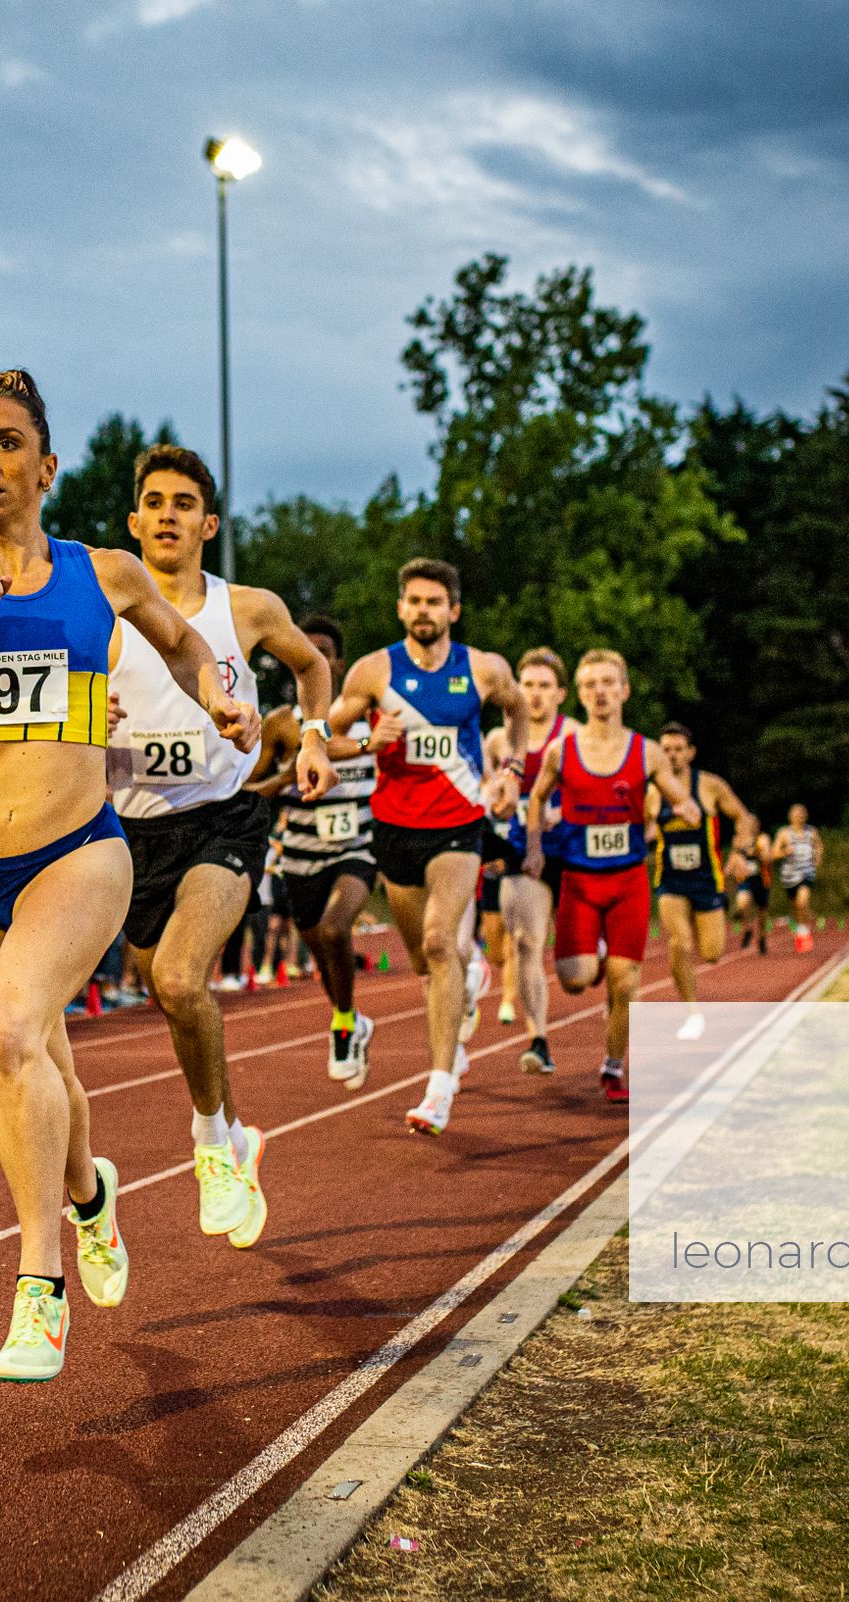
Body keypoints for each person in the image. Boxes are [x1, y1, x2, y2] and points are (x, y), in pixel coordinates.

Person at [0, 368, 253, 1382]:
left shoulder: (106, 573)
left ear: (47, 467)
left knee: (8, 1033)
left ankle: (38, 1289)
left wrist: (221, 702)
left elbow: (185, 644)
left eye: (6, 444)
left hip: (77, 849)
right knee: (38, 1062)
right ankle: (89, 1197)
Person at [102, 442, 329, 1247]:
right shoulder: (102, 613)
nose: (168, 515)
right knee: (174, 999)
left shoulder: (248, 609)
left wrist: (314, 738)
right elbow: (60, 699)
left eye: (183, 504)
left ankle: (209, 1149)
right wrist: (87, 716)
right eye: (154, 503)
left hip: (223, 817)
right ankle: (235, 1134)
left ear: (209, 523)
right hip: (132, 833)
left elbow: (312, 667)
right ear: (134, 523)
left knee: (177, 975)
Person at [318, 559, 532, 1138]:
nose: (423, 611)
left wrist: (511, 771)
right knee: (422, 960)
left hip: (460, 824)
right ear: (400, 608)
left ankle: (439, 1084)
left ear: (453, 611)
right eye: (414, 600)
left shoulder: (483, 668)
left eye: (434, 602)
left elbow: (518, 710)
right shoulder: (373, 671)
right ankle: (468, 976)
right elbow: (325, 738)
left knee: (440, 941)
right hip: (395, 827)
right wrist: (369, 739)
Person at [521, 650, 700, 1103]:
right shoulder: (562, 751)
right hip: (579, 882)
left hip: (627, 882)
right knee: (574, 979)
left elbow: (679, 796)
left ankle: (613, 1066)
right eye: (590, 685)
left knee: (626, 981)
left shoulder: (647, 752)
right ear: (579, 696)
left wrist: (687, 807)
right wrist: (535, 848)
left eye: (608, 683)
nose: (599, 691)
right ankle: (594, 953)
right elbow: (536, 799)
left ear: (624, 691)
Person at [247, 615, 381, 1086]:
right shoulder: (283, 725)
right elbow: (250, 790)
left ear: (339, 664)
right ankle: (350, 1016)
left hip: (357, 849)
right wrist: (286, 776)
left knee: (334, 928)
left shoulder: (372, 719)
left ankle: (342, 1026)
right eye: (306, 650)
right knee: (323, 954)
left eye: (324, 652)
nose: (315, 658)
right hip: (300, 856)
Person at [480, 647, 574, 1076]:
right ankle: (539, 1040)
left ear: (561, 694)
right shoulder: (499, 740)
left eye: (544, 686)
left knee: (577, 969)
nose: (534, 694)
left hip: (570, 852)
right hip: (521, 851)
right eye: (528, 685)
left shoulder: (572, 735)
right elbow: (485, 788)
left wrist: (564, 810)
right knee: (524, 942)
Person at [648, 721, 757, 1035]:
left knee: (711, 953)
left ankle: (700, 925)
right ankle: (692, 1012)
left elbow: (744, 818)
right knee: (679, 943)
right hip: (670, 881)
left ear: (691, 752)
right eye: (666, 750)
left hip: (707, 881)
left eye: (678, 749)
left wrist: (740, 851)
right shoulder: (652, 792)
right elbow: (638, 830)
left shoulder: (710, 785)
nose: (672, 755)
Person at [771, 803, 825, 953]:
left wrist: (817, 858)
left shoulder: (811, 831)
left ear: (806, 815)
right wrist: (784, 852)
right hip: (789, 876)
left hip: (807, 873)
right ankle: (801, 929)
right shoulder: (784, 833)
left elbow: (819, 846)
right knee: (796, 907)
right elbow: (774, 853)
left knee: (802, 901)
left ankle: (804, 933)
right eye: (796, 813)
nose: (799, 816)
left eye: (802, 813)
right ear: (790, 816)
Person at [731, 837, 771, 953]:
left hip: (761, 881)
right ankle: (748, 928)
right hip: (746, 881)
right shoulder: (738, 840)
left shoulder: (762, 839)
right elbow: (733, 861)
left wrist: (757, 852)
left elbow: (768, 859)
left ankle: (762, 938)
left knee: (762, 913)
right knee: (742, 902)